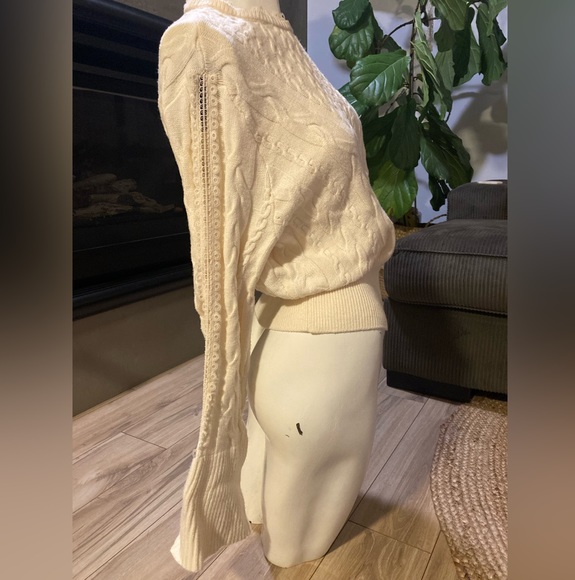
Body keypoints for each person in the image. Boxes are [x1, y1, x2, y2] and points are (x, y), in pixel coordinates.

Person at [157, 0, 396, 572]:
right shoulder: (206, 41)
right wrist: (219, 409)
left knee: (278, 529)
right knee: (294, 554)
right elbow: (216, 237)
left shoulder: (277, 35)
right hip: (322, 347)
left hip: (305, 335)